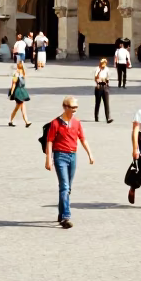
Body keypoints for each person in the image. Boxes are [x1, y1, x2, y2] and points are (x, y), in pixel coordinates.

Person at [45, 95, 94, 229]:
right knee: (65, 186)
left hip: (73, 156)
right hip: (60, 156)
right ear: (65, 107)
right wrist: (48, 159)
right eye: (72, 107)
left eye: (76, 108)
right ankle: (66, 216)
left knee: (67, 188)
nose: (74, 110)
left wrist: (90, 154)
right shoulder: (55, 123)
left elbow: (82, 138)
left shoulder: (77, 122)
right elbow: (49, 141)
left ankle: (61, 214)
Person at [8, 62, 32, 127]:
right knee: (21, 107)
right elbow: (13, 84)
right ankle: (26, 121)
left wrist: (11, 93)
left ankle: (11, 121)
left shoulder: (20, 74)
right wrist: (12, 93)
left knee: (18, 107)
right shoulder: (19, 74)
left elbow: (13, 84)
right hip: (19, 92)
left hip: (20, 91)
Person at [94, 58, 112, 122]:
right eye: (102, 65)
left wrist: (107, 82)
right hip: (99, 87)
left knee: (106, 103)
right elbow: (96, 77)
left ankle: (108, 118)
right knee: (98, 103)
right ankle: (96, 117)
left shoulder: (107, 69)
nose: (103, 66)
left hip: (105, 87)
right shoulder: (97, 69)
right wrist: (99, 80)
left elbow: (108, 77)